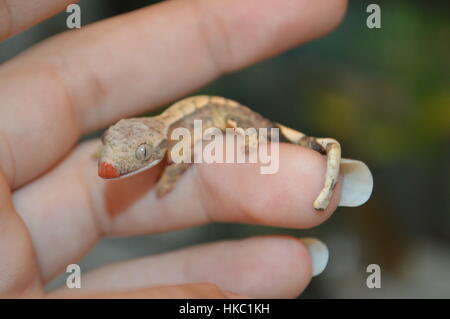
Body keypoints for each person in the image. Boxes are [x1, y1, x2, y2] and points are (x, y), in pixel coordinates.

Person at [0, 0, 371, 298]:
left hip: (230, 116)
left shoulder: (177, 143)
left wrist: (172, 176)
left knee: (305, 147)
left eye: (143, 156)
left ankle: (320, 153)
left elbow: (186, 154)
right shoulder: (147, 133)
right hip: (205, 114)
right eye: (112, 146)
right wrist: (111, 152)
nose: (115, 165)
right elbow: (125, 139)